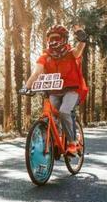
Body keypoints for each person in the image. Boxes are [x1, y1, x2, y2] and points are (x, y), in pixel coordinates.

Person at [20, 25, 88, 156]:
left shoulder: (71, 53)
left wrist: (81, 37)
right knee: (54, 116)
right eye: (50, 38)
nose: (53, 41)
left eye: (56, 38)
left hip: (72, 90)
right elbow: (36, 73)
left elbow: (79, 49)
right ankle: (56, 142)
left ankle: (72, 142)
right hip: (54, 91)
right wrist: (26, 87)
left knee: (64, 111)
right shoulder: (45, 56)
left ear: (63, 39)